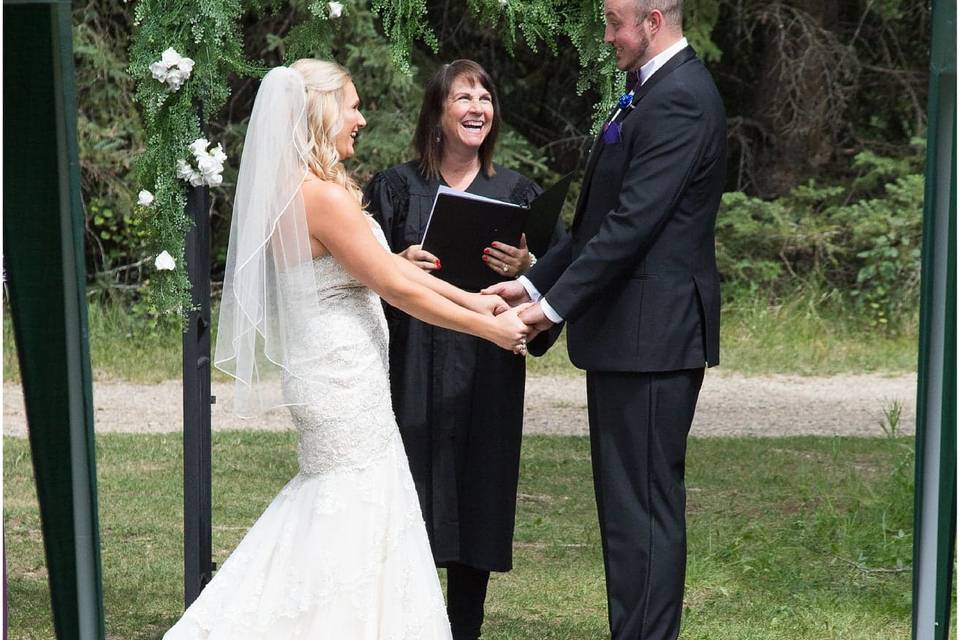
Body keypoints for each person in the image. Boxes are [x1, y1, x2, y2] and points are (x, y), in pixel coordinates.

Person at [163, 60, 533, 639]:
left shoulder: (304, 189)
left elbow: (390, 269)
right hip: (341, 381)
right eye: (352, 106)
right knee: (351, 507)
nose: (361, 118)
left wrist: (474, 300)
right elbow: (395, 286)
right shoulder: (321, 198)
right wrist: (485, 327)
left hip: (334, 375)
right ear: (320, 112)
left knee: (342, 508)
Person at [484, 1, 727, 638]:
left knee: (642, 511)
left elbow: (632, 227)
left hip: (654, 336)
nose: (607, 36)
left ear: (653, 20)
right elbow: (597, 222)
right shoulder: (644, 93)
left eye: (615, 23)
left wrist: (551, 308)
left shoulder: (681, 98)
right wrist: (533, 282)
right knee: (625, 512)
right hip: (629, 335)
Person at [364, 59, 561, 640]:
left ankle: (464, 629)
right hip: (413, 365)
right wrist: (393, 266)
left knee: (478, 494)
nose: (477, 107)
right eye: (462, 97)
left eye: (486, 98)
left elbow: (555, 290)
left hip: (487, 370)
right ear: (437, 113)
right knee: (411, 496)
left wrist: (530, 271)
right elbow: (359, 279)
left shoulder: (518, 193)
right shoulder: (396, 189)